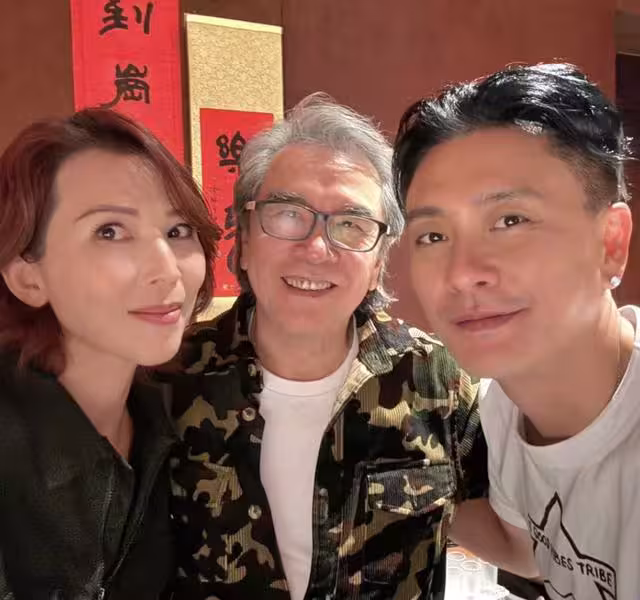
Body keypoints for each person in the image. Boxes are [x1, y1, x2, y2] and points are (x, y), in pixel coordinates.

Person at [162, 94, 489, 600]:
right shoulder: (169, 379)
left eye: (351, 225)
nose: (316, 248)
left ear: (378, 262)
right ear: (243, 240)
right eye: (289, 215)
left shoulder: (437, 378)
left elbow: (521, 537)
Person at [394, 62, 637, 599]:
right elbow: (533, 548)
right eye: (433, 236)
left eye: (510, 220)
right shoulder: (506, 404)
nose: (462, 273)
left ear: (610, 243)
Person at [0, 108, 219, 599]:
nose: (167, 270)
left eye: (178, 231)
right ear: (27, 276)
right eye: (110, 232)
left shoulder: (170, 415)